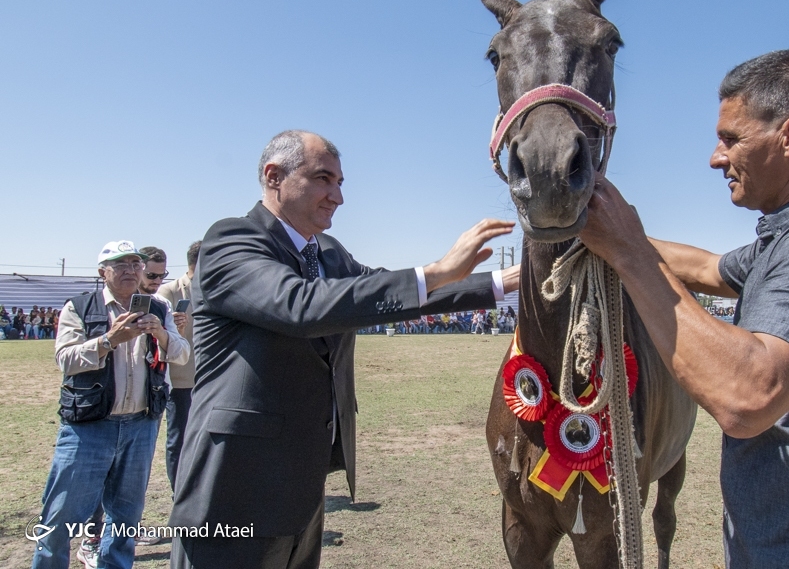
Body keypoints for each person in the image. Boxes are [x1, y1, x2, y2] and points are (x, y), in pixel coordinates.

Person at [580, 50, 789, 568]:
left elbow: (748, 396)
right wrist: (602, 229)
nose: (716, 158)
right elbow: (708, 269)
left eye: (731, 139)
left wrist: (628, 251)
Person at [168, 130, 518, 569]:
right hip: (235, 489)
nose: (338, 196)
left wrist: (500, 284)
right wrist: (434, 270)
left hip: (302, 489)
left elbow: (393, 295)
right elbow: (299, 305)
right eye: (323, 179)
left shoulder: (329, 254)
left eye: (340, 182)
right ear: (274, 176)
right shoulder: (230, 241)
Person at [31, 241, 190, 569]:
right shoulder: (80, 307)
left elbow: (182, 353)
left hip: (140, 426)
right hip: (89, 428)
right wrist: (108, 341)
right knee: (60, 517)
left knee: (125, 519)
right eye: (121, 265)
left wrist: (161, 333)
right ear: (102, 272)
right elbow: (65, 358)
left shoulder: (156, 307)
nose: (131, 270)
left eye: (135, 264)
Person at [155, 241, 199, 490]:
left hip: (211, 378)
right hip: (181, 379)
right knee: (179, 439)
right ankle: (178, 492)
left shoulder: (214, 289)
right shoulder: (170, 292)